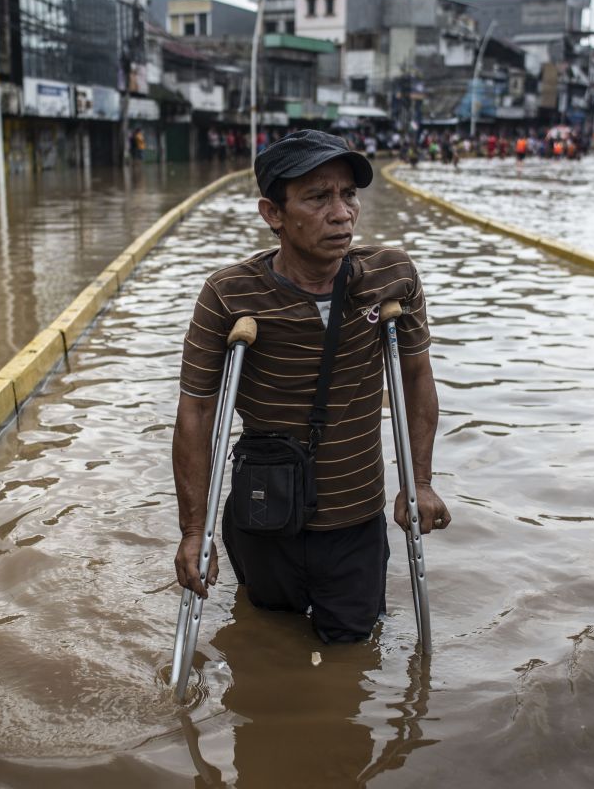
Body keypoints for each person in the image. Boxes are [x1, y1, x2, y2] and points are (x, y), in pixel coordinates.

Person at [172, 129, 452, 644]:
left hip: (356, 521)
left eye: (348, 195)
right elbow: (196, 413)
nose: (342, 212)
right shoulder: (227, 294)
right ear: (272, 214)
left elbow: (415, 376)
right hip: (263, 518)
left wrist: (422, 482)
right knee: (267, 646)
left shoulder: (393, 278)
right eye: (318, 197)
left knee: (351, 656)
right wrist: (195, 532)